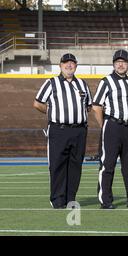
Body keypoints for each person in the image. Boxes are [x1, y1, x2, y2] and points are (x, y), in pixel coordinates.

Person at [33, 53, 92, 209]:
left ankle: (70, 198)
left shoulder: (82, 84)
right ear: (60, 65)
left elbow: (89, 106)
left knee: (75, 166)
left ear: (76, 66)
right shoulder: (51, 83)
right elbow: (37, 103)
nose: (69, 65)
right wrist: (53, 112)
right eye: (66, 63)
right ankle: (57, 199)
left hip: (79, 131)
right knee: (57, 165)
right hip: (59, 130)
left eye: (72, 63)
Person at [92, 49, 128, 209]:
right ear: (114, 64)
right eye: (118, 62)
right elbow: (96, 106)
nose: (121, 64)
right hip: (112, 126)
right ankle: (105, 200)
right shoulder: (106, 81)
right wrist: (106, 126)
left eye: (124, 62)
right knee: (108, 164)